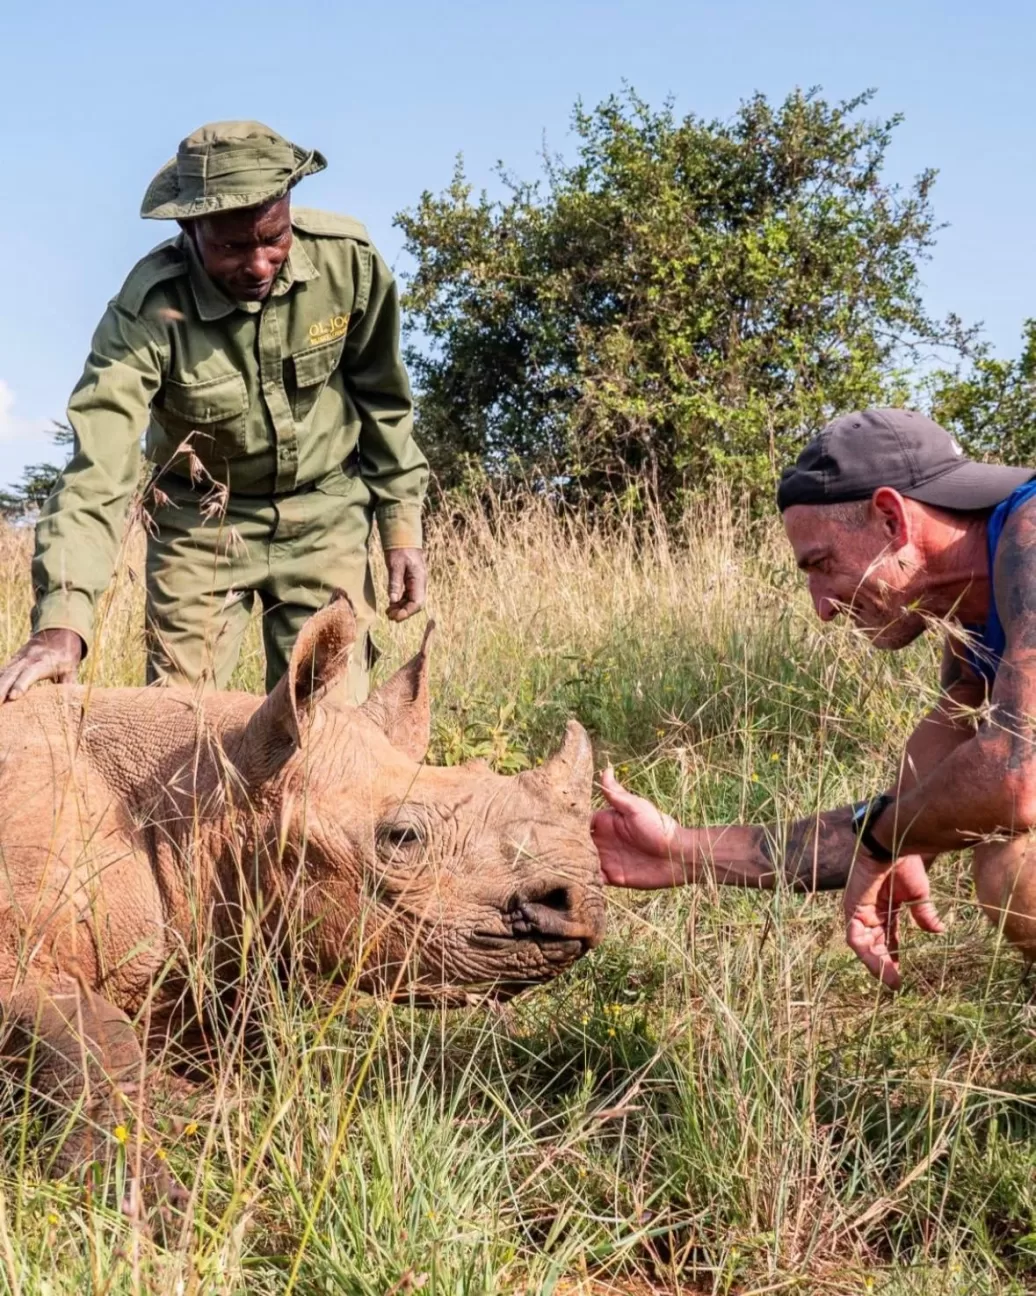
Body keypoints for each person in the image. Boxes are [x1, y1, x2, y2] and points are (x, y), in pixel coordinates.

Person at [593, 408, 1036, 989]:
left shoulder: (1029, 540)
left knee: (1016, 869)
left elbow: (1013, 780)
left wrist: (886, 838)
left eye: (822, 565)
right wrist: (679, 851)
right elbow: (902, 811)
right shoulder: (973, 615)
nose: (822, 608)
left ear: (889, 519)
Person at [0, 120, 428, 705]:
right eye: (231, 247)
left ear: (289, 210)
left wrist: (402, 528)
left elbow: (384, 399)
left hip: (328, 515)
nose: (258, 264)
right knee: (180, 728)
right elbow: (97, 468)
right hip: (199, 528)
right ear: (188, 228)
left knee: (331, 730)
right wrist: (62, 622)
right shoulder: (146, 309)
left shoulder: (348, 263)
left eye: (274, 237)